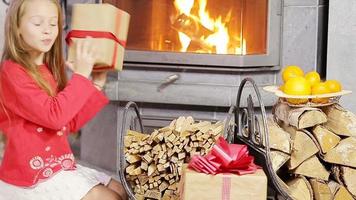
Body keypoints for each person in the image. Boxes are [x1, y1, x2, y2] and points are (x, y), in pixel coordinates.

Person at [0, 0, 127, 199]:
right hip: (30, 171)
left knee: (119, 189)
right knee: (110, 198)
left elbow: (69, 122)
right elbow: (54, 117)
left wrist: (96, 83)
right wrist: (81, 75)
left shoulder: (48, 71)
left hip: (58, 162)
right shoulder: (12, 71)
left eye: (53, 24)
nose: (47, 30)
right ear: (17, 28)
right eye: (37, 23)